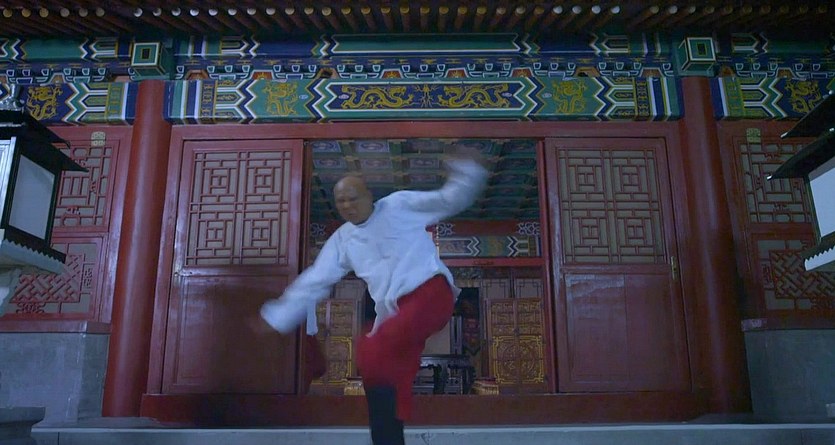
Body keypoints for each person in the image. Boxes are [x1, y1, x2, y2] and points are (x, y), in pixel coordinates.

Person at [259, 146, 488, 445]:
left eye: (353, 198)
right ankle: (389, 437)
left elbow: (447, 199)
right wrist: (278, 316)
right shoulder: (342, 240)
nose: (347, 206)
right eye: (341, 201)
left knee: (374, 349)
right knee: (376, 365)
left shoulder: (399, 205)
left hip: (430, 293)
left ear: (369, 196)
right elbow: (315, 279)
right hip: (395, 311)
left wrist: (468, 171)